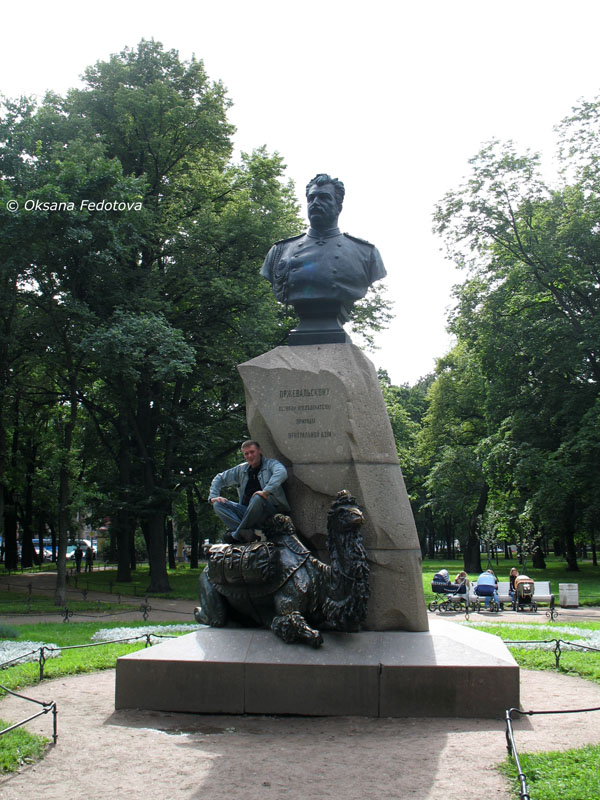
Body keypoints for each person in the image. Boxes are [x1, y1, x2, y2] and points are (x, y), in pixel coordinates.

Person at [261, 174, 387, 344]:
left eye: (324, 197)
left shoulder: (365, 253)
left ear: (338, 206)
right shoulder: (280, 251)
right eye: (311, 198)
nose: (315, 203)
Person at [208, 440, 290, 544]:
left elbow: (282, 473)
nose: (250, 456)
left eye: (252, 452)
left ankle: (236, 535)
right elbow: (219, 478)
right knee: (218, 504)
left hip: (268, 512)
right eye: (246, 453)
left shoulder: (271, 464)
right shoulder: (241, 469)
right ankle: (248, 533)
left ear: (259, 451)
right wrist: (213, 496)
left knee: (257, 498)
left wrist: (266, 492)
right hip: (247, 512)